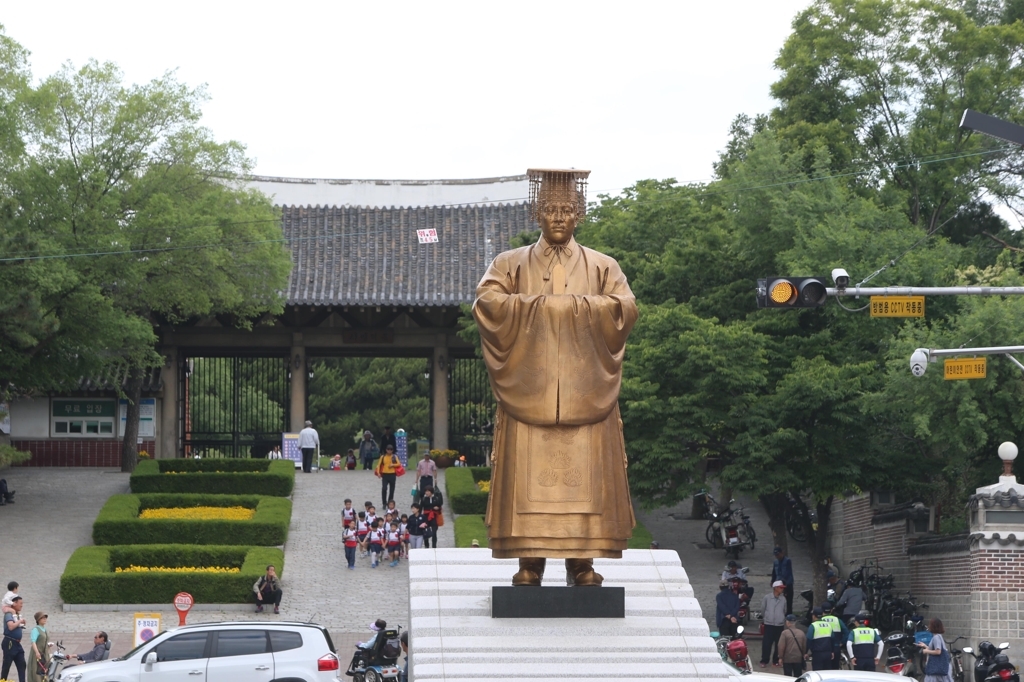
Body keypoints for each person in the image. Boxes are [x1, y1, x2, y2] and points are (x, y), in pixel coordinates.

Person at [472, 168, 638, 587]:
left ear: (579, 213)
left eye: (567, 209)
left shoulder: (603, 265)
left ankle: (581, 562)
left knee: (586, 475)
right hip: (531, 385)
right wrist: (541, 309)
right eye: (550, 210)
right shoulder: (509, 264)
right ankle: (530, 562)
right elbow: (488, 301)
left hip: (586, 388)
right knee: (527, 475)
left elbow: (625, 308)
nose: (559, 218)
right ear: (537, 214)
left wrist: (573, 310)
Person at [760, 580, 787, 668]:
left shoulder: (783, 599)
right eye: (780, 588)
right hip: (769, 624)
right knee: (767, 643)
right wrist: (767, 618)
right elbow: (763, 610)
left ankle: (776, 660)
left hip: (779, 624)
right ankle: (764, 660)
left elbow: (784, 610)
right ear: (775, 588)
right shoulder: (767, 598)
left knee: (778, 644)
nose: (782, 589)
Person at [919, 618, 952, 682]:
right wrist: (925, 646)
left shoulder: (936, 637)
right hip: (939, 667)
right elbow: (935, 649)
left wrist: (926, 651)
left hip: (936, 667)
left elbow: (938, 651)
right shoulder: (938, 636)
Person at [2, 596, 26, 682]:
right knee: (7, 665)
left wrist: (22, 623)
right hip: (9, 642)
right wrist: (20, 621)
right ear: (14, 603)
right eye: (20, 603)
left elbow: (17, 626)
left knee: (22, 664)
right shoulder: (9, 614)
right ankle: (2, 680)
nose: (22, 605)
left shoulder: (16, 614)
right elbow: (11, 626)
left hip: (17, 643)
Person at [819, 603, 848, 669]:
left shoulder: (819, 621)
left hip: (823, 649)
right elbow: (846, 633)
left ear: (822, 611)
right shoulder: (837, 620)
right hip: (836, 648)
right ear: (831, 610)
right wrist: (841, 642)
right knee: (835, 670)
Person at [771, 546, 795, 614]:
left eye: (778, 554)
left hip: (787, 582)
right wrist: (772, 580)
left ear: (782, 553)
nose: (777, 556)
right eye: (776, 555)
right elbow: (774, 572)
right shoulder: (775, 562)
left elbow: (788, 572)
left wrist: (784, 582)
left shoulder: (787, 561)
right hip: (778, 582)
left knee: (789, 599)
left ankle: (789, 613)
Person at [27, 612, 48, 682]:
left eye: (45, 617)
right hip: (38, 654)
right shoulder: (35, 630)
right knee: (37, 671)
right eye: (42, 618)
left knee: (43, 671)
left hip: (43, 654)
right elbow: (33, 642)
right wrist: (36, 652)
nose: (45, 619)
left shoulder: (44, 629)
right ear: (38, 620)